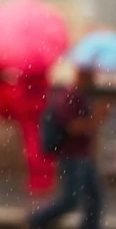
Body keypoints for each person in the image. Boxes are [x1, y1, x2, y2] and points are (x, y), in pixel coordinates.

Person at [28, 66, 104, 229]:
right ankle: (37, 220)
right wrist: (96, 118)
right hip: (72, 155)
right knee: (71, 200)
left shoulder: (83, 96)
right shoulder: (70, 96)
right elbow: (72, 127)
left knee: (94, 197)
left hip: (83, 155)